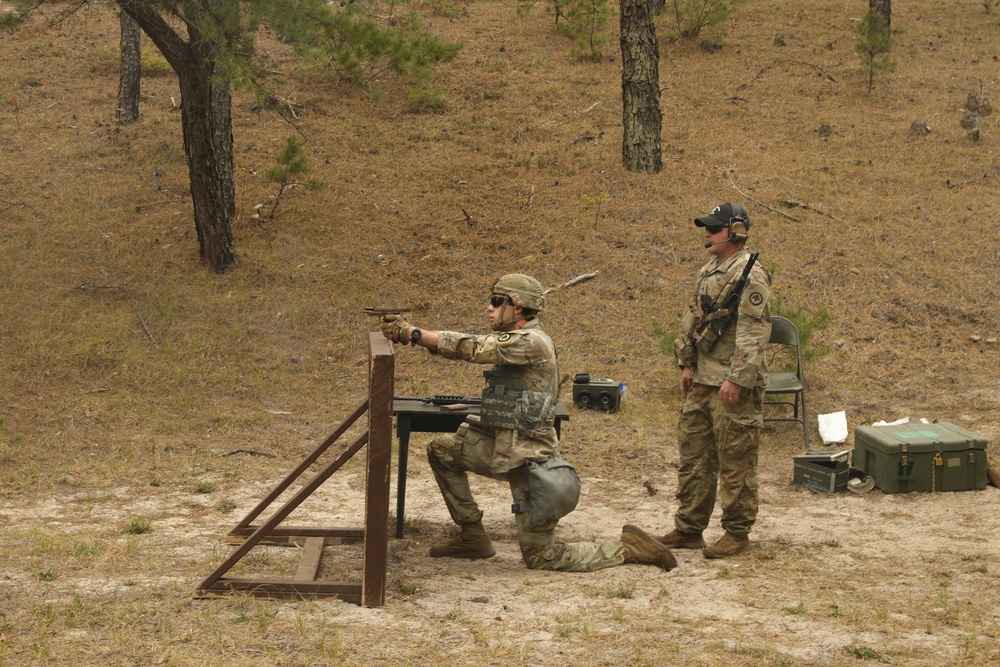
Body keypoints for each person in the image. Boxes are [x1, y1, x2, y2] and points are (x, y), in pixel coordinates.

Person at [381, 274, 676, 572]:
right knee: (443, 450)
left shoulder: (532, 342)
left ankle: (629, 549)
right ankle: (472, 536)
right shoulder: (517, 340)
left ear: (519, 308)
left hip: (528, 460)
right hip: (501, 448)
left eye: (497, 302)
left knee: (542, 556)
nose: (489, 308)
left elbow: (471, 347)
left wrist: (414, 334)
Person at [659, 203, 772, 559]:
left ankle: (737, 533)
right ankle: (689, 528)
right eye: (706, 228)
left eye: (714, 228)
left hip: (731, 385)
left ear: (735, 231)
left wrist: (738, 379)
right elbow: (692, 320)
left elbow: (755, 332)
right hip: (703, 380)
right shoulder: (710, 270)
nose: (706, 233)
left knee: (736, 460)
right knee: (694, 458)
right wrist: (686, 364)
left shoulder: (750, 274)